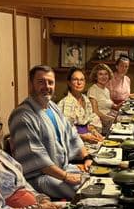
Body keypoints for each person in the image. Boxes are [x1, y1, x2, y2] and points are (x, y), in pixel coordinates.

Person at [9, 65, 93, 199]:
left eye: (50, 82)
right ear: (31, 85)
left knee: (97, 180)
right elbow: (37, 158)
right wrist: (66, 176)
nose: (46, 86)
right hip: (40, 178)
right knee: (87, 194)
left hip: (62, 169)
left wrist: (86, 157)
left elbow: (72, 133)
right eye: (41, 82)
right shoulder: (23, 116)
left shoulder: (52, 106)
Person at [58, 68, 104, 144]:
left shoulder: (86, 99)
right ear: (69, 83)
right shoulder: (65, 102)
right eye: (75, 80)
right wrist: (83, 137)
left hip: (88, 138)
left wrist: (93, 131)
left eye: (82, 80)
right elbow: (64, 131)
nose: (79, 83)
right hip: (72, 143)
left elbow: (91, 118)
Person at [88, 63, 117, 130]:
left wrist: (119, 106)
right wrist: (112, 118)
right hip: (100, 123)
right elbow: (95, 112)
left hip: (109, 118)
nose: (104, 77)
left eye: (106, 74)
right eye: (100, 74)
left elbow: (110, 105)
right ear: (95, 76)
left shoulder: (106, 90)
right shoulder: (93, 90)